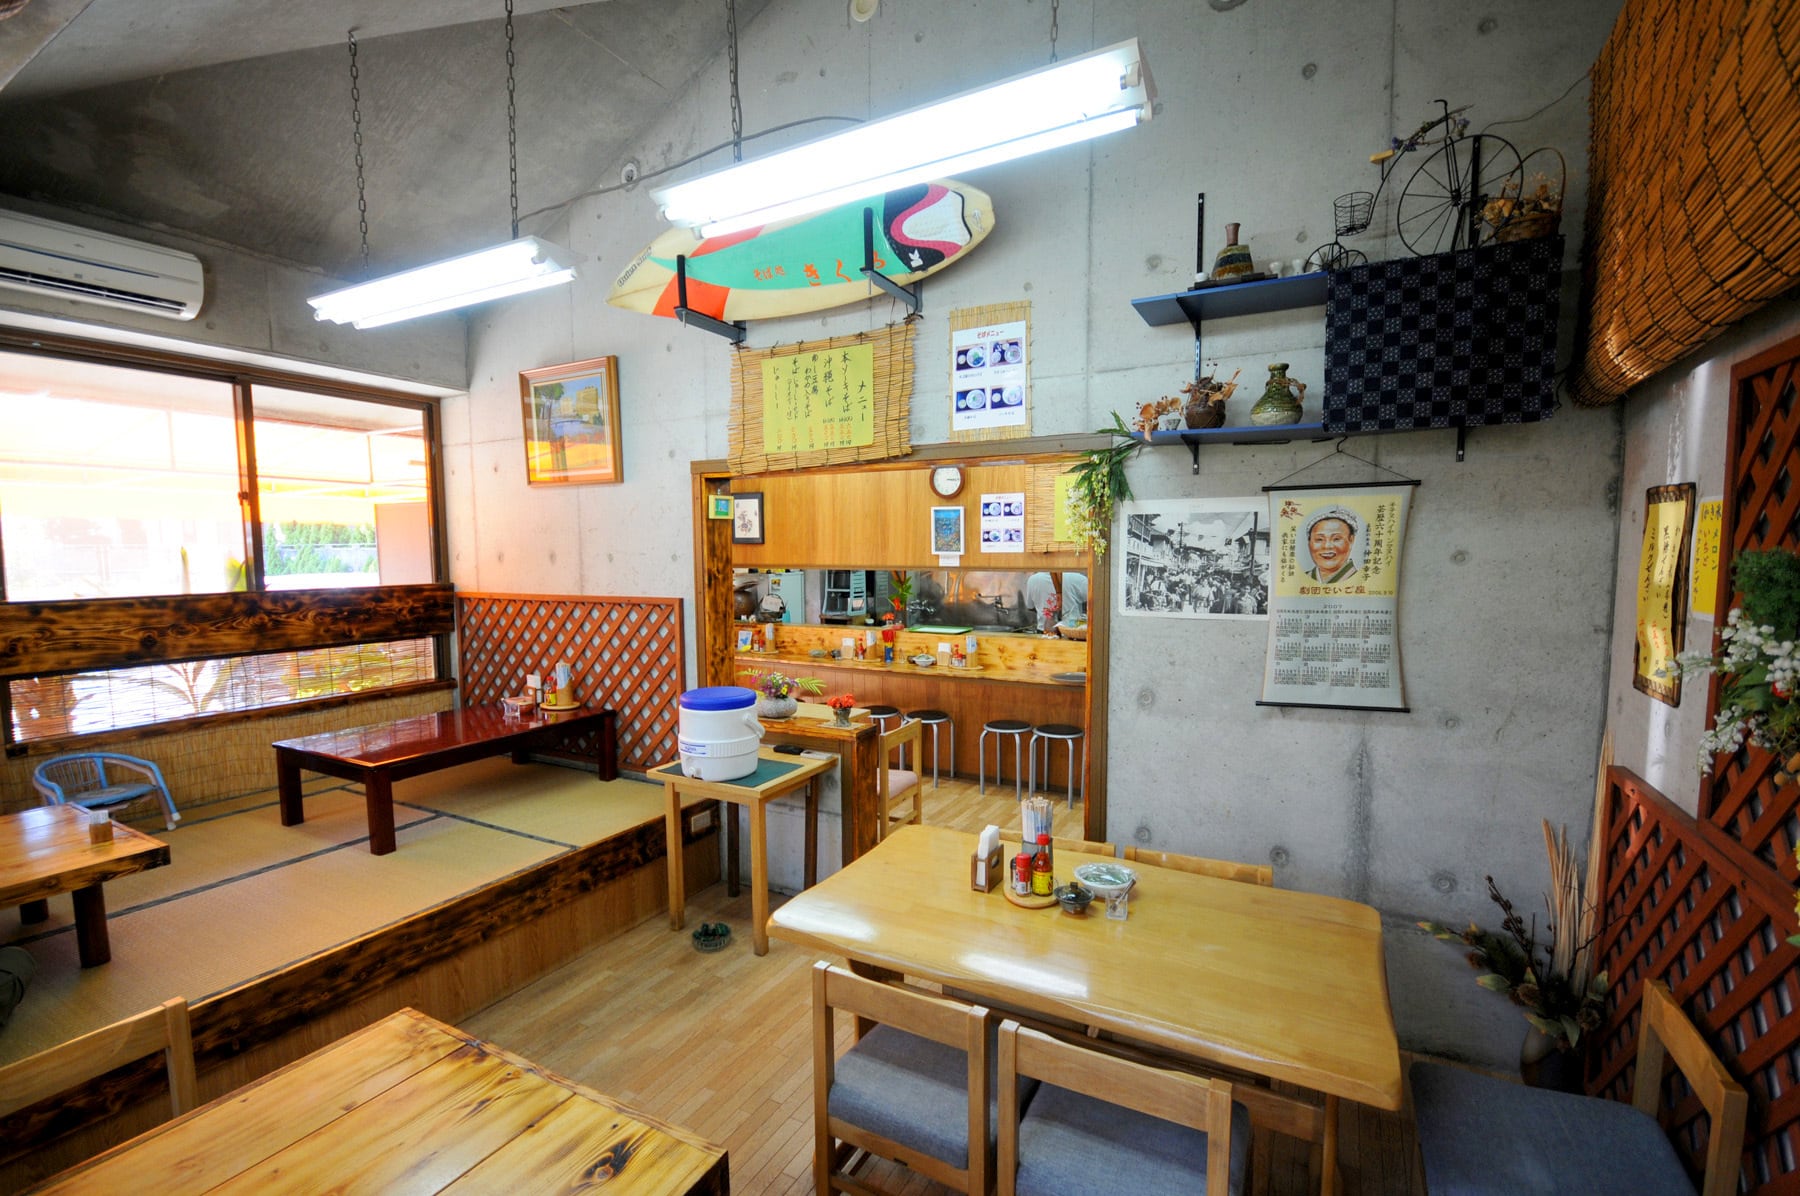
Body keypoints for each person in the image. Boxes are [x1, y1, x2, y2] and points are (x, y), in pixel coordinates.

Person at [1302, 506, 1363, 585]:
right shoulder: (1301, 579)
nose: (1327, 546)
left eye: (1336, 539)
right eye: (1319, 539)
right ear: (1309, 542)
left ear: (1351, 540)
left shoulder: (1360, 579)